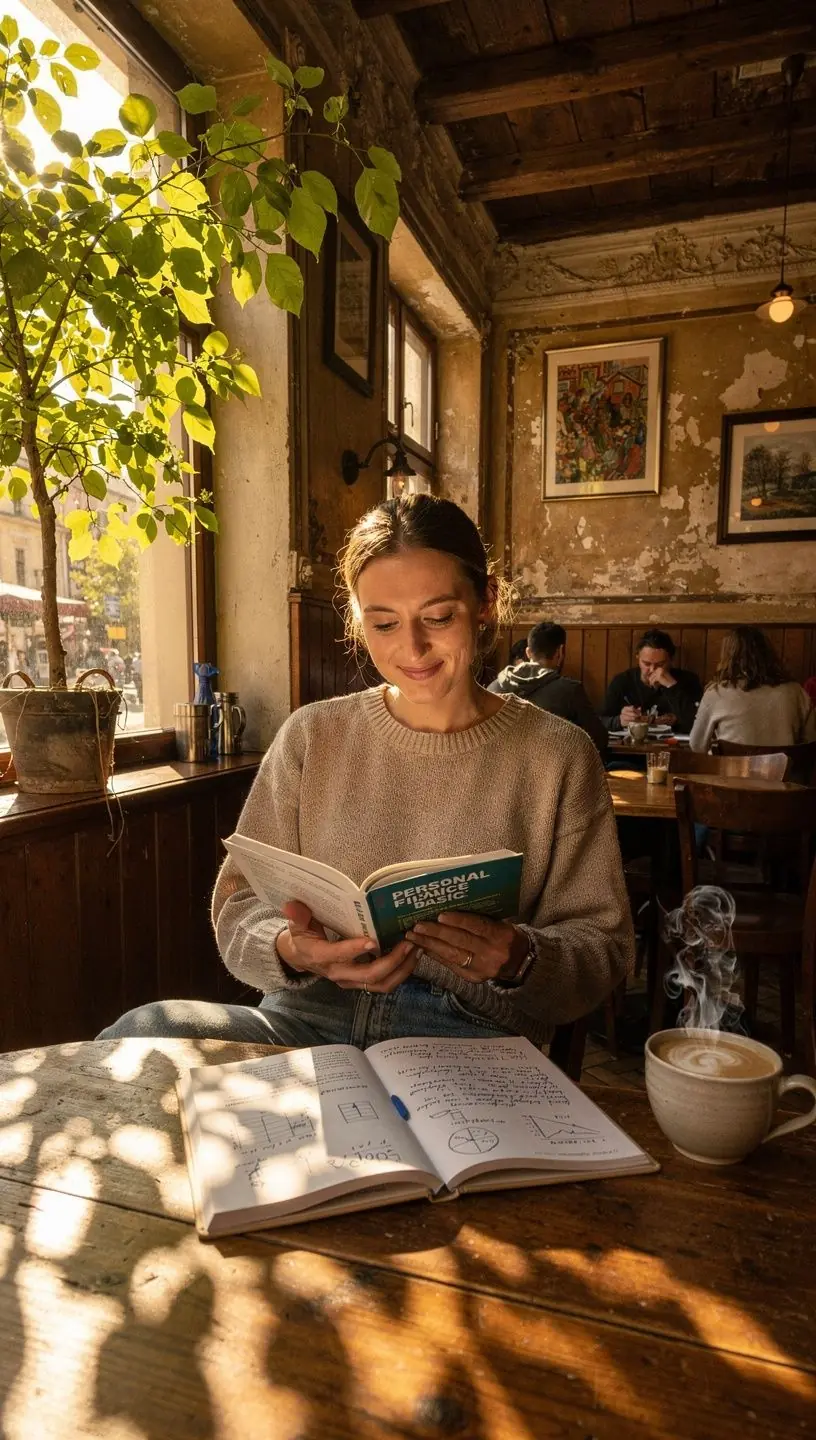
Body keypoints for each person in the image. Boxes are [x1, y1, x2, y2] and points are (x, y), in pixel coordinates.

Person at [99, 495, 633, 1050]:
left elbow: (602, 946)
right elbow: (238, 904)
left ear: (486, 603)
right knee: (142, 1034)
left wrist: (520, 959)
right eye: (383, 623)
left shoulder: (557, 754)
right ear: (357, 620)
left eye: (439, 617)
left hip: (470, 1037)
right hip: (303, 1018)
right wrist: (289, 947)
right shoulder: (313, 736)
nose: (413, 647)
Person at [489, 621, 608, 755]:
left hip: (499, 771)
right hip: (550, 773)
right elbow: (599, 740)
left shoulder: (494, 687)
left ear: (528, 652)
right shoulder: (570, 690)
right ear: (560, 652)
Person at [690, 626, 816, 752]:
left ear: (727, 656)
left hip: (733, 771)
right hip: (787, 771)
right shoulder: (796, 691)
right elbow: (811, 742)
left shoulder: (716, 693)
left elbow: (697, 746)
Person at [601, 628, 702, 733]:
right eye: (646, 664)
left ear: (671, 660)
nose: (652, 670)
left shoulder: (689, 680)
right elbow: (600, 722)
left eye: (660, 664)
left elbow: (699, 724)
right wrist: (619, 721)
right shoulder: (622, 681)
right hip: (632, 746)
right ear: (637, 657)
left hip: (674, 746)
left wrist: (672, 686)